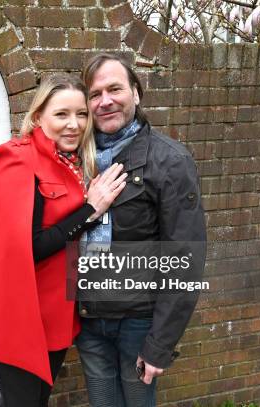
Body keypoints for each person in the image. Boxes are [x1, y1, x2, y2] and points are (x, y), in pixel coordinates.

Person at [0, 75, 128, 407]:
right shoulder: (17, 158)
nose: (74, 124)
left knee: (35, 400)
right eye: (61, 114)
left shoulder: (72, 161)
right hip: (20, 315)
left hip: (57, 312)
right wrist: (90, 209)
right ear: (39, 116)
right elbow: (30, 247)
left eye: (82, 114)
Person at [74, 53, 207, 406]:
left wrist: (160, 344)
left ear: (136, 93)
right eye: (95, 93)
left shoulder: (170, 161)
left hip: (138, 324)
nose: (105, 101)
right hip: (89, 321)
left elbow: (184, 259)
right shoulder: (76, 158)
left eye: (114, 89)